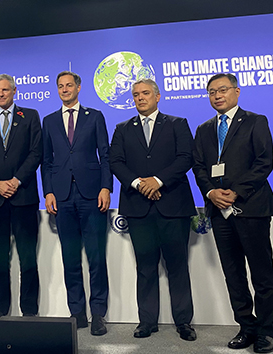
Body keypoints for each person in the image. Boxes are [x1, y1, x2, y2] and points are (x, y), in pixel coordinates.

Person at [193, 73, 273, 353]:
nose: (216, 96)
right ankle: (246, 326)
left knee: (261, 272)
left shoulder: (256, 121)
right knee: (233, 274)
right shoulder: (204, 128)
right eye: (211, 92)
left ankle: (266, 331)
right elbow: (199, 167)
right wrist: (211, 192)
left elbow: (264, 162)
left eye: (222, 90)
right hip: (219, 211)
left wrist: (236, 192)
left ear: (236, 91)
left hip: (251, 207)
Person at [109, 79, 197, 341]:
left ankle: (184, 322)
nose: (140, 98)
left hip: (172, 205)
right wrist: (139, 184)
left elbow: (186, 157)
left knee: (177, 266)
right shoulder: (122, 129)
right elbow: (115, 161)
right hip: (138, 208)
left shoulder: (177, 124)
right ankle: (147, 321)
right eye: (136, 95)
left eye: (145, 93)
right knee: (145, 267)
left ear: (158, 96)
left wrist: (157, 181)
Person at [41, 71, 112, 336]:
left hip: (91, 195)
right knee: (70, 258)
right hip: (61, 197)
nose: (64, 89)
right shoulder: (48, 121)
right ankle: (77, 313)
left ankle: (98, 314)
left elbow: (105, 155)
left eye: (69, 85)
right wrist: (48, 192)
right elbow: (46, 161)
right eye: (60, 86)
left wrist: (106, 187)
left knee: (96, 257)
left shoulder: (94, 116)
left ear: (79, 88)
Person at [0, 74, 42, 332]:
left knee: (27, 258)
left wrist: (15, 180)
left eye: (5, 90)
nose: (1, 94)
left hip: (23, 196)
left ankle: (30, 312)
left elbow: (37, 152)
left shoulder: (30, 116)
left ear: (15, 90)